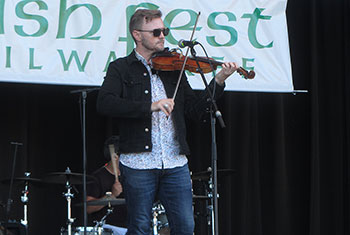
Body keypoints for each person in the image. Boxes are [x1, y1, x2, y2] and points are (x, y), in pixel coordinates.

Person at [96, 9, 238, 235]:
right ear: (137, 35)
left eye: (165, 31)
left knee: (185, 226)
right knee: (139, 227)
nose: (162, 36)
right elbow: (105, 104)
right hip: (138, 163)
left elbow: (194, 110)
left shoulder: (173, 69)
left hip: (175, 162)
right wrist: (149, 106)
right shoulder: (121, 68)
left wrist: (218, 81)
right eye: (156, 32)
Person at [86, 136, 127, 235]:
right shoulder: (97, 177)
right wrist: (112, 195)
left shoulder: (130, 175)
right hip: (108, 228)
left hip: (131, 226)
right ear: (115, 156)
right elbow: (88, 208)